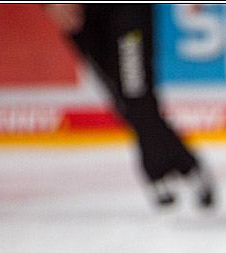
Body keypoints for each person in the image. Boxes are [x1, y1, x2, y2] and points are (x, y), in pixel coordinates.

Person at [44, 4, 215, 209]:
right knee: (123, 100)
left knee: (135, 91)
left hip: (127, 8)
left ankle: (159, 171)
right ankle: (187, 164)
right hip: (82, 14)